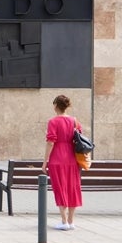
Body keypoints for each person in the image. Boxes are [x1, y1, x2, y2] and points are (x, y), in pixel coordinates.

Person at [41, 94, 82, 230]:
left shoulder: (53, 121)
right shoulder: (74, 121)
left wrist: (45, 161)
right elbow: (79, 137)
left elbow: (50, 142)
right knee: (72, 188)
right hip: (72, 159)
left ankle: (64, 221)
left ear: (55, 106)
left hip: (57, 159)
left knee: (60, 188)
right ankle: (71, 221)